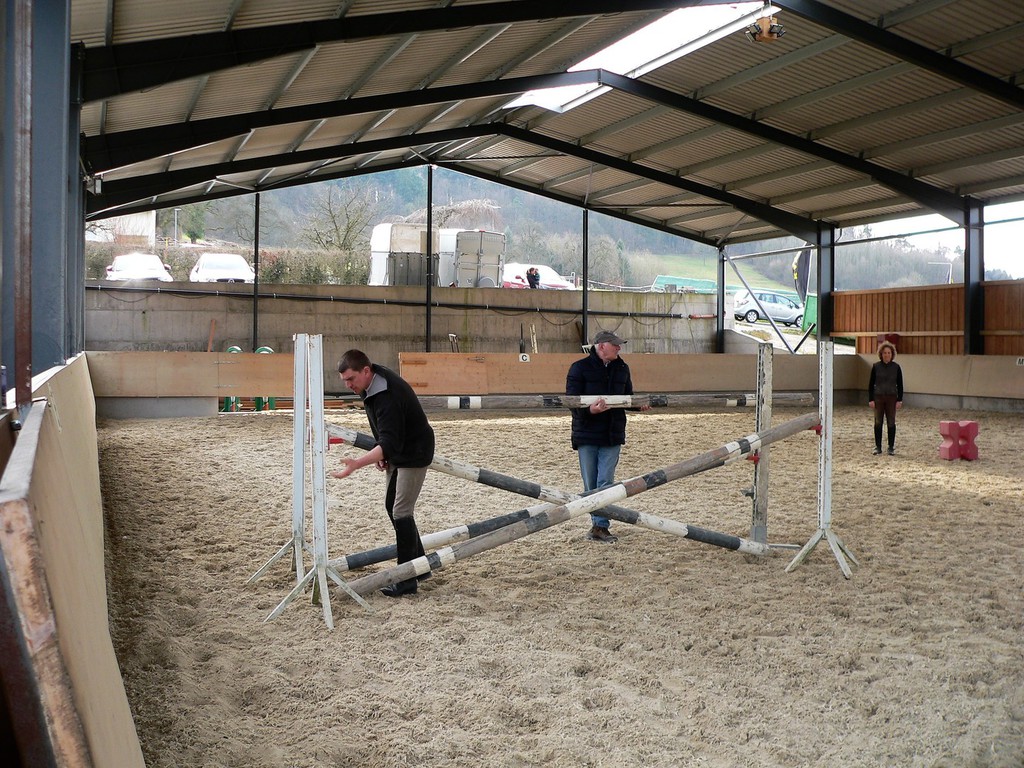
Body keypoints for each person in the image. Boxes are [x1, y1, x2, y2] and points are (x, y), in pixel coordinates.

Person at [331, 349, 434, 597]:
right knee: (391, 506)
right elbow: (386, 434)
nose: (348, 385)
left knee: (401, 512)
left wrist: (358, 463)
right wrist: (382, 452)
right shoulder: (371, 383)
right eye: (344, 380)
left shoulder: (387, 393)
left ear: (366, 371)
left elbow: (389, 440)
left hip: (414, 452)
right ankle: (420, 566)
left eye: (351, 379)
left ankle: (406, 580)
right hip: (399, 449)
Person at [566, 330, 648, 543]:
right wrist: (590, 411)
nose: (619, 348)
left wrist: (637, 406)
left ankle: (600, 526)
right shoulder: (579, 368)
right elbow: (571, 402)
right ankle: (597, 525)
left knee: (606, 481)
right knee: (591, 483)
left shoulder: (622, 368)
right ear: (602, 346)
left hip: (612, 433)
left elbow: (627, 397)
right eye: (615, 345)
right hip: (587, 433)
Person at [868, 340, 904, 456]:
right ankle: (878, 447)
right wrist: (871, 399)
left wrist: (899, 399)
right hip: (878, 397)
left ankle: (891, 447)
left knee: (891, 422)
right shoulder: (876, 367)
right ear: (881, 354)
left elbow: (900, 384)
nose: (887, 355)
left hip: (891, 398)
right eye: (884, 353)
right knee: (878, 422)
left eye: (889, 353)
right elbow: (871, 384)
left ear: (892, 354)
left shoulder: (896, 367)